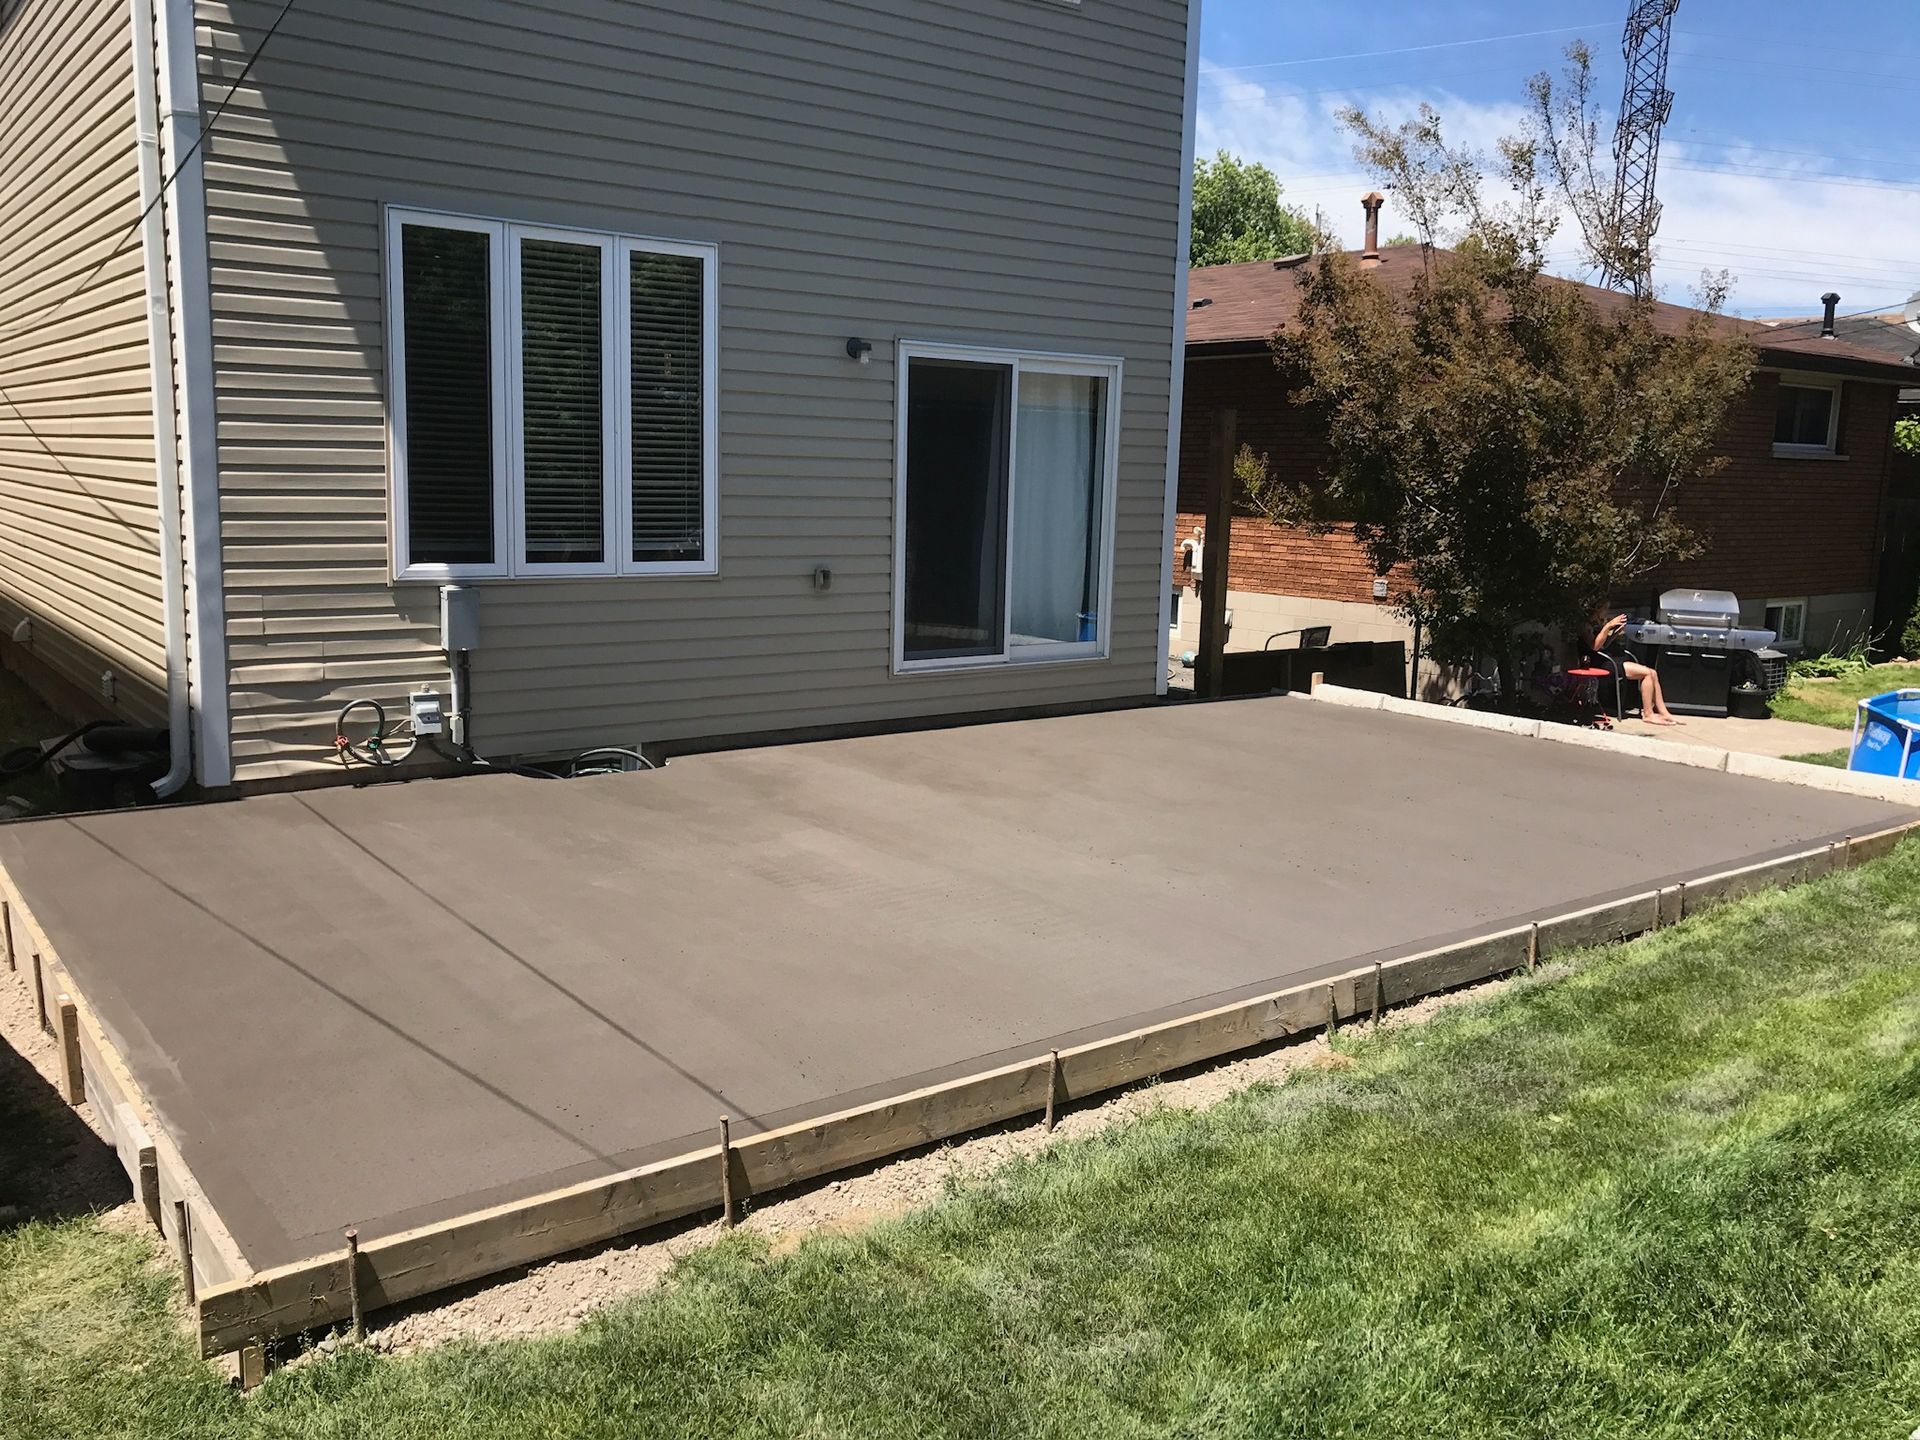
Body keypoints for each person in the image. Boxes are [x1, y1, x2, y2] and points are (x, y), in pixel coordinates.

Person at [1581, 608, 1683, 726]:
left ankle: (1664, 712)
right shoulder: (1584, 626)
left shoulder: (1596, 624)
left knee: (1652, 672)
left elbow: (1604, 645)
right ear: (1596, 608)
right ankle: (1648, 714)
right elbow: (1595, 647)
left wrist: (1615, 633)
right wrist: (1608, 626)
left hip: (1608, 659)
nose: (1606, 611)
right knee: (1647, 674)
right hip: (1601, 664)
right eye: (1604, 608)